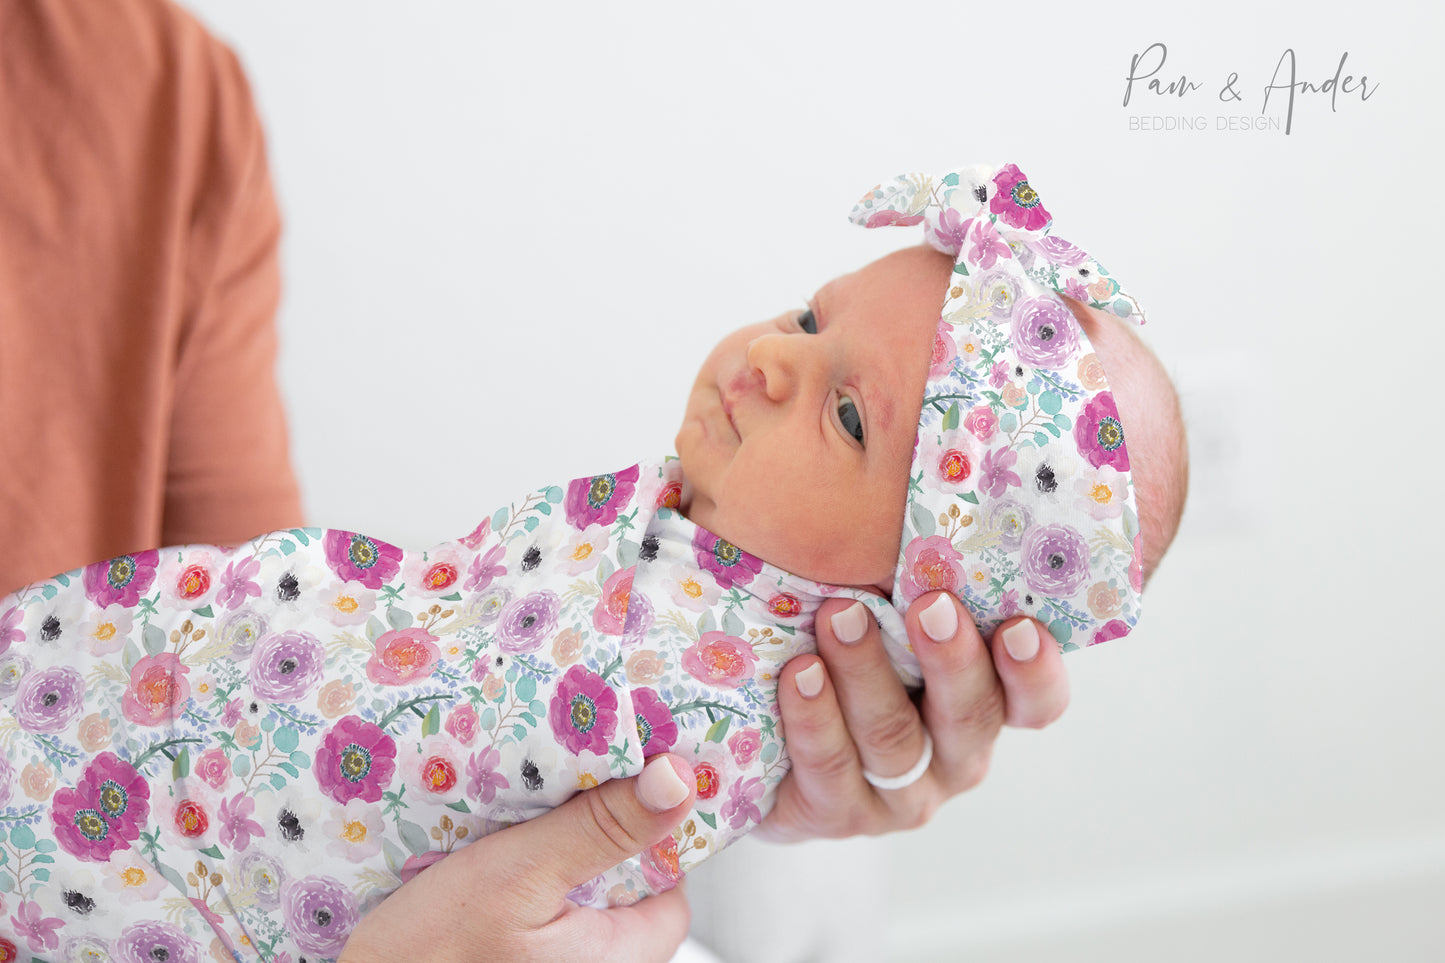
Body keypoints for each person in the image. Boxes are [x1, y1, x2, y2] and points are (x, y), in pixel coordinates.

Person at [0, 3, 1083, 959]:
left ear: (911, 596)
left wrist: (781, 788)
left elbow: (261, 625)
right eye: (806, 317)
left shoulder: (161, 92)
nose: (769, 352)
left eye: (847, 415)